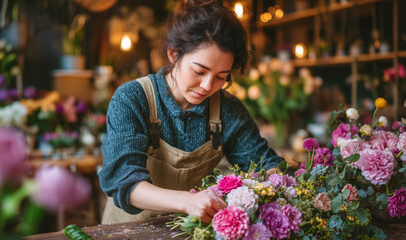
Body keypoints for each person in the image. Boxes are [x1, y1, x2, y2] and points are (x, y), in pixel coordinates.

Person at [98, 0, 283, 224]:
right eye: (199, 71)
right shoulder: (133, 99)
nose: (207, 86)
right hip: (126, 231)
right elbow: (124, 182)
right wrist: (188, 202)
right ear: (173, 54)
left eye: (220, 77)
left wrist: (280, 178)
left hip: (187, 232)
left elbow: (265, 163)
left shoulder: (227, 110)